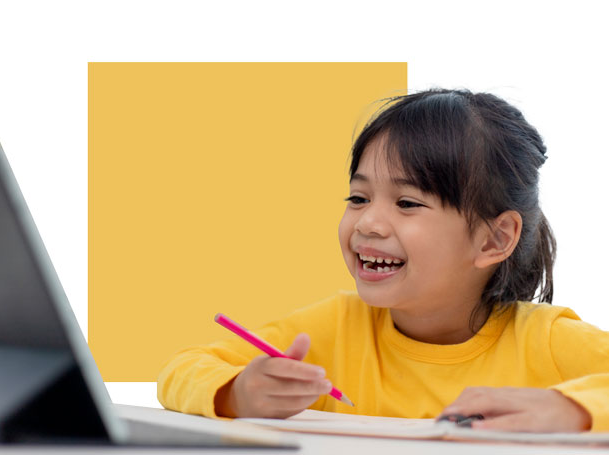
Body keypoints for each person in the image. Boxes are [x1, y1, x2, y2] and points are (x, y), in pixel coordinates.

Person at [157, 88, 609, 432]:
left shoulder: (545, 343)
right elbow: (181, 369)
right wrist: (237, 394)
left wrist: (570, 408)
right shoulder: (333, 329)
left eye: (408, 203)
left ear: (494, 238)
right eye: (358, 197)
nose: (368, 223)